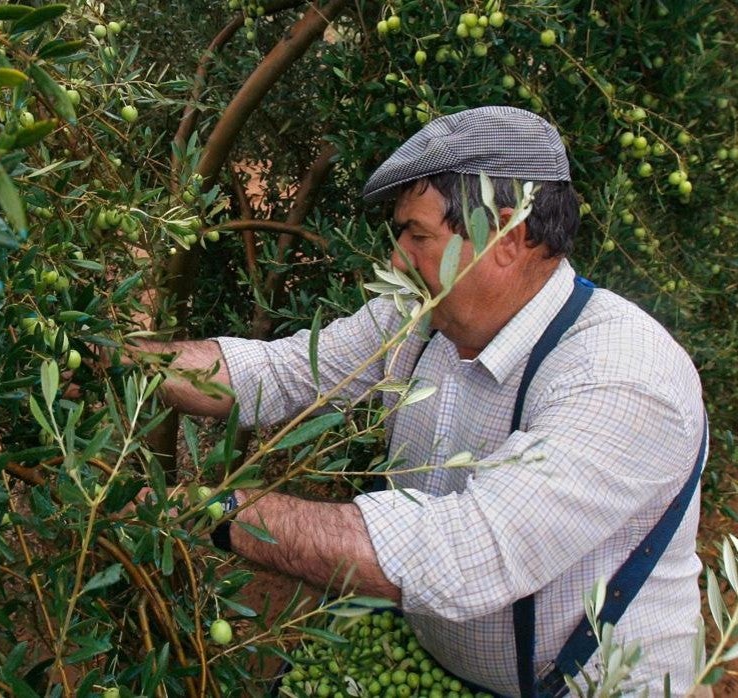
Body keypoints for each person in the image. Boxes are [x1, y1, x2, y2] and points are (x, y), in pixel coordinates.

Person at [130, 106, 707, 696]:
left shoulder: (624, 376)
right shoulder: (419, 321)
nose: (398, 260)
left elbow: (464, 555)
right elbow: (277, 375)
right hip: (441, 665)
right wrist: (123, 362)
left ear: (507, 235)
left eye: (418, 234)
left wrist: (214, 509)